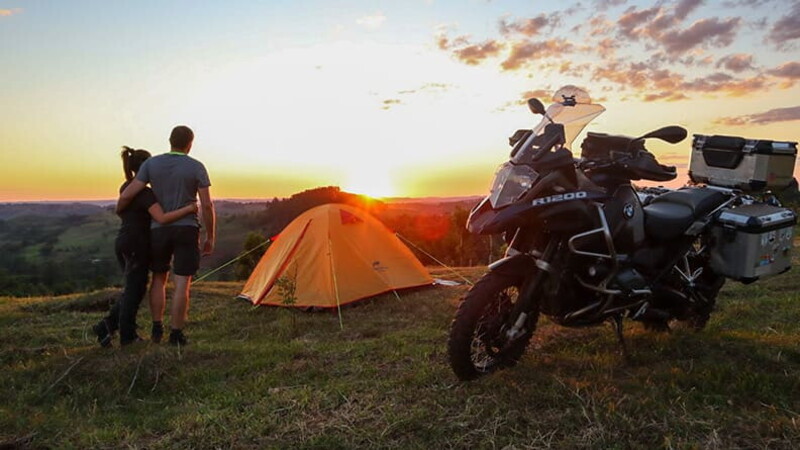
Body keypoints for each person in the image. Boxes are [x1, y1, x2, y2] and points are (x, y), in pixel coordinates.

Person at [116, 125, 215, 346]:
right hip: (187, 228)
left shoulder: (151, 164)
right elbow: (207, 205)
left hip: (158, 231)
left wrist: (119, 207)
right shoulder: (196, 166)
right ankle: (176, 334)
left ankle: (157, 326)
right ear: (190, 143)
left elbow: (129, 193)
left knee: (159, 279)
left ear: (169, 140)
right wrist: (210, 237)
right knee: (182, 283)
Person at [93, 147, 197, 347]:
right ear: (145, 169)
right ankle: (127, 336)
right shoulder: (144, 193)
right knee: (134, 290)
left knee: (135, 288)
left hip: (123, 241)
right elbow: (162, 218)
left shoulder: (126, 187)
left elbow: (122, 208)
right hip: (136, 244)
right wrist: (189, 208)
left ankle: (106, 326)